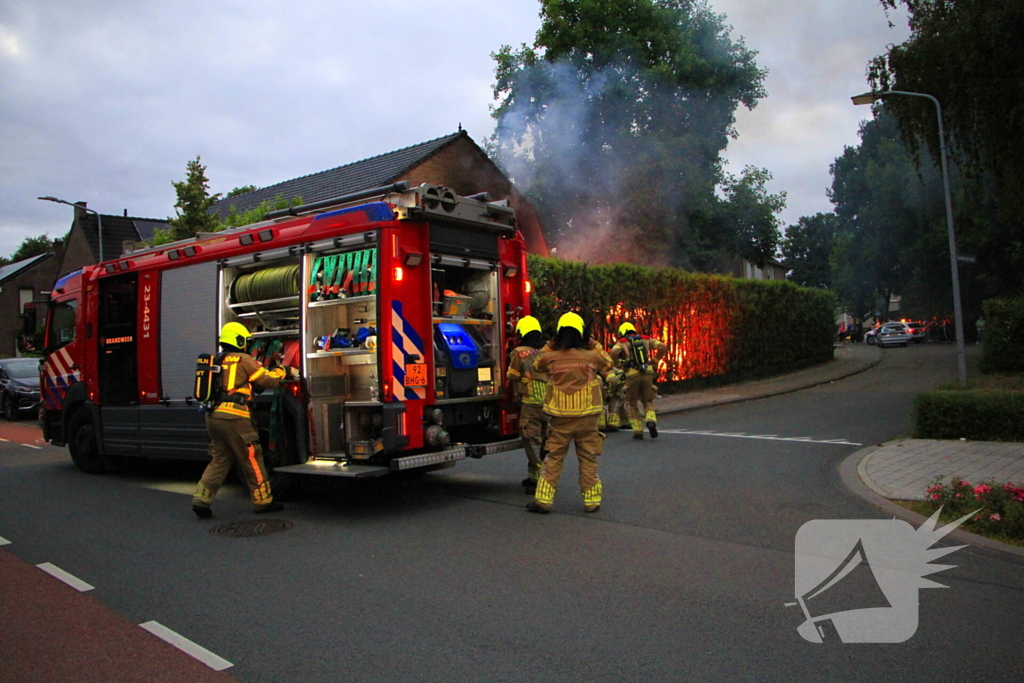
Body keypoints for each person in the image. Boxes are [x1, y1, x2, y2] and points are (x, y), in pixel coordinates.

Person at [192, 322, 295, 518]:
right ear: (239, 340)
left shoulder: (218, 360)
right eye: (245, 340)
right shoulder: (243, 359)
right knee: (251, 459)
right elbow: (268, 379)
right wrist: (284, 370)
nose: (247, 344)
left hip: (213, 416)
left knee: (220, 460)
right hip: (235, 417)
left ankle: (201, 499)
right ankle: (263, 501)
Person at [527, 312, 612, 514]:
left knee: (553, 458)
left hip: (560, 419)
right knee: (588, 458)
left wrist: (551, 344)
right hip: (588, 418)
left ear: (559, 334)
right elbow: (608, 362)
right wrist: (592, 343)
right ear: (582, 334)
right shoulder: (592, 356)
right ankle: (591, 501)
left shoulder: (550, 357)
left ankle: (543, 500)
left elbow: (535, 364)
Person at [506, 315, 549, 493]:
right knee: (545, 442)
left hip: (530, 405)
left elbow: (512, 376)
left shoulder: (519, 352)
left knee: (532, 442)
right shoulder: (547, 350)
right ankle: (533, 477)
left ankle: (541, 481)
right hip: (549, 404)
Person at [610, 322, 667, 440]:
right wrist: (655, 360)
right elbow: (662, 346)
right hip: (647, 373)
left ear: (621, 332)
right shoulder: (645, 339)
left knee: (632, 404)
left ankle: (638, 431)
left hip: (631, 375)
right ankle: (651, 421)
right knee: (648, 401)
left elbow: (614, 352)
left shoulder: (622, 342)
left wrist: (619, 364)